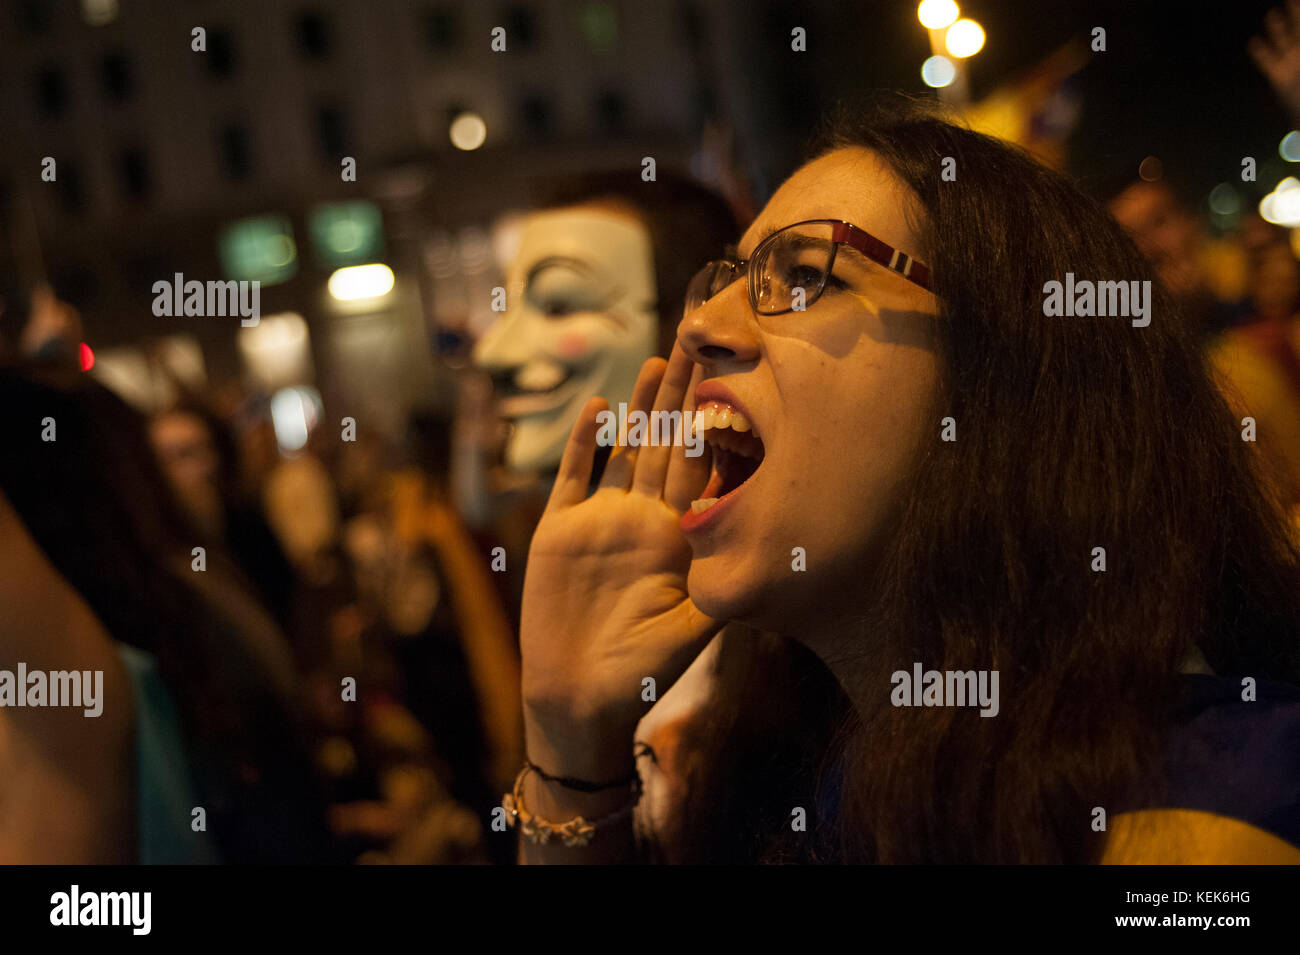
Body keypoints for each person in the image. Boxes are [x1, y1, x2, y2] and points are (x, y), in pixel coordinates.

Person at [510, 98, 1300, 864]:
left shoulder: (1210, 805)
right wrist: (570, 751)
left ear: (1002, 378)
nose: (700, 326)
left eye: (807, 275)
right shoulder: (796, 789)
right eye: (723, 280)